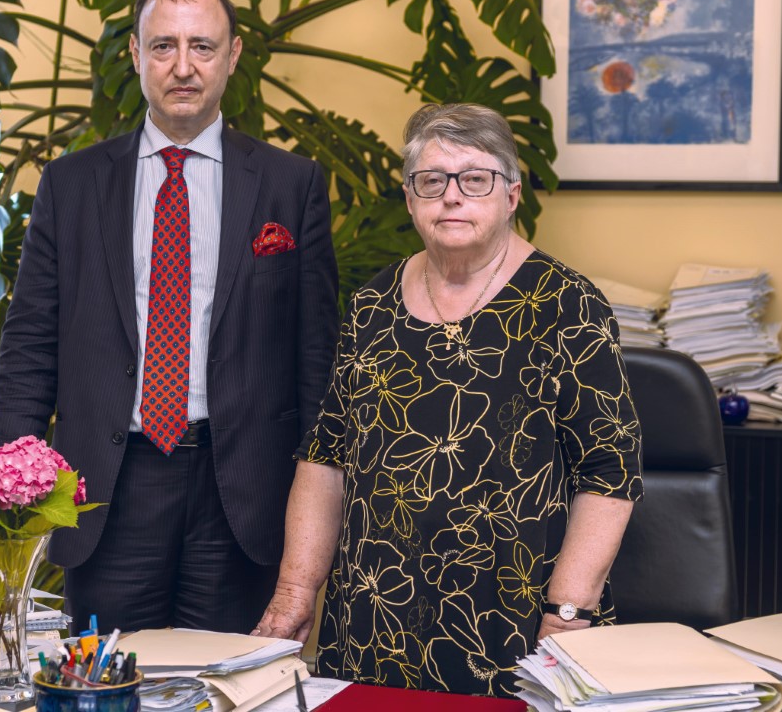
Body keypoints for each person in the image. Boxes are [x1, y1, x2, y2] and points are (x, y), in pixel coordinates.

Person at [0, 0, 338, 633]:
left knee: (231, 687)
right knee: (107, 686)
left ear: (232, 56)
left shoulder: (291, 186)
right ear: (136, 55)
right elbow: (29, 349)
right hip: (108, 490)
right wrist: (13, 489)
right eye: (164, 46)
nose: (183, 67)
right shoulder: (72, 184)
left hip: (242, 492)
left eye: (202, 47)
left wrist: (312, 510)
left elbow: (315, 362)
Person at [253, 103, 643, 695]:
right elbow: (326, 457)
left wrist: (569, 612)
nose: (451, 197)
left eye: (475, 179)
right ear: (410, 199)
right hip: (372, 622)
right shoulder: (371, 306)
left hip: (515, 624)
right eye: (431, 181)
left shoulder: (570, 305)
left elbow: (610, 472)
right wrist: (295, 592)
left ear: (511, 195)